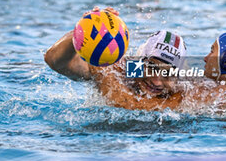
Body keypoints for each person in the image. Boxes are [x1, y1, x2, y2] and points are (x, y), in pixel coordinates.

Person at [44, 7, 187, 111]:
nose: (156, 81)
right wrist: (82, 33)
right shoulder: (115, 69)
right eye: (152, 67)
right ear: (137, 62)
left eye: (167, 74)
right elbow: (54, 60)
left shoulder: (185, 95)